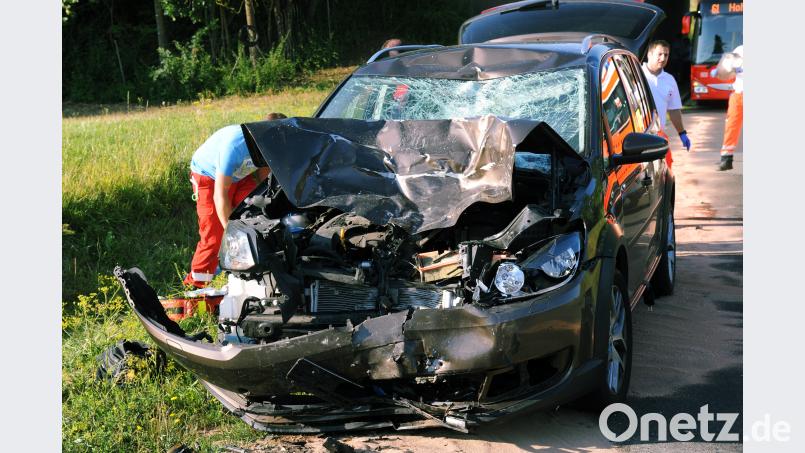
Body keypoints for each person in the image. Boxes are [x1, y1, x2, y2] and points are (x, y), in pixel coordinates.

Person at [183, 112, 287, 288]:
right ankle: (196, 288)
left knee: (255, 217)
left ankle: (248, 276)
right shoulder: (235, 146)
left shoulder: (271, 143)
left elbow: (265, 182)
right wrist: (231, 233)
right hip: (209, 177)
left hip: (240, 175)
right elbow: (220, 195)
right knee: (214, 235)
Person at [642, 40, 692, 167]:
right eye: (659, 54)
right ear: (649, 54)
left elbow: (674, 110)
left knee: (664, 175)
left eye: (666, 55)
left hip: (658, 138)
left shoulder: (670, 80)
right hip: (638, 138)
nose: (663, 58)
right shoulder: (636, 74)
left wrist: (682, 133)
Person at [712, 45, 743, 171]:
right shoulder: (740, 50)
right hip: (739, 94)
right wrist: (722, 71)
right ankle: (726, 159)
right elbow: (725, 75)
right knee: (731, 126)